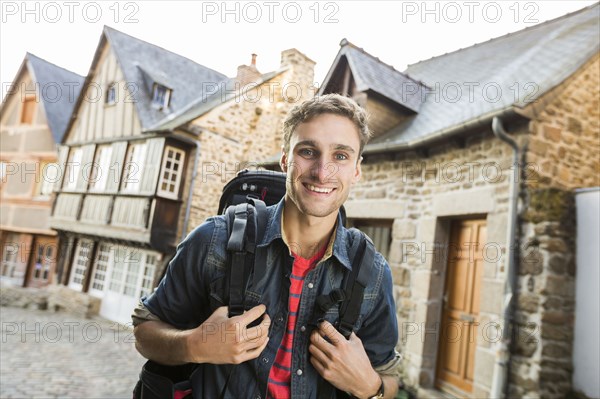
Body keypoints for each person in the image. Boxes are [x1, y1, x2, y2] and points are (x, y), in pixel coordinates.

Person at [133, 94, 401, 399]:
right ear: (286, 159)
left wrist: (371, 388)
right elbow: (145, 332)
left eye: (341, 156)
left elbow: (388, 377)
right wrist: (195, 344)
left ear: (356, 170)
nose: (322, 171)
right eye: (308, 151)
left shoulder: (373, 273)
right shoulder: (214, 240)